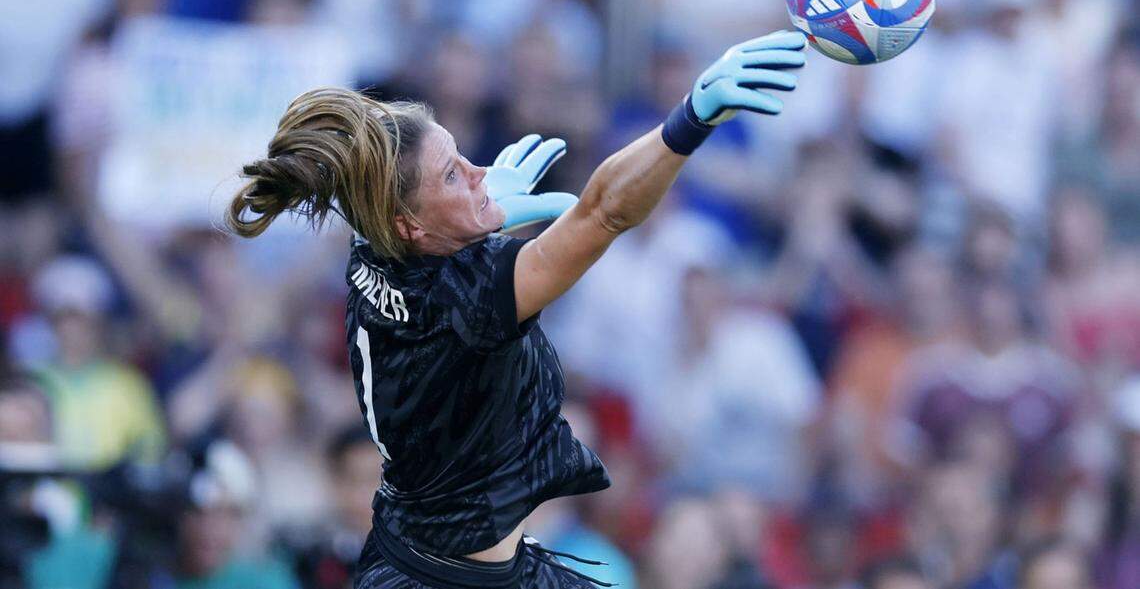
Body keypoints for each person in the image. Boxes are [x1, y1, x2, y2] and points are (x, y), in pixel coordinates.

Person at [225, 29, 807, 588]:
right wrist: (688, 121)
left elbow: (382, 196)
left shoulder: (371, 244)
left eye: (460, 154)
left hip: (430, 554)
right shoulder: (466, 296)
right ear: (411, 224)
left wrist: (465, 208)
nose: (480, 174)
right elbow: (603, 212)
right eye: (454, 175)